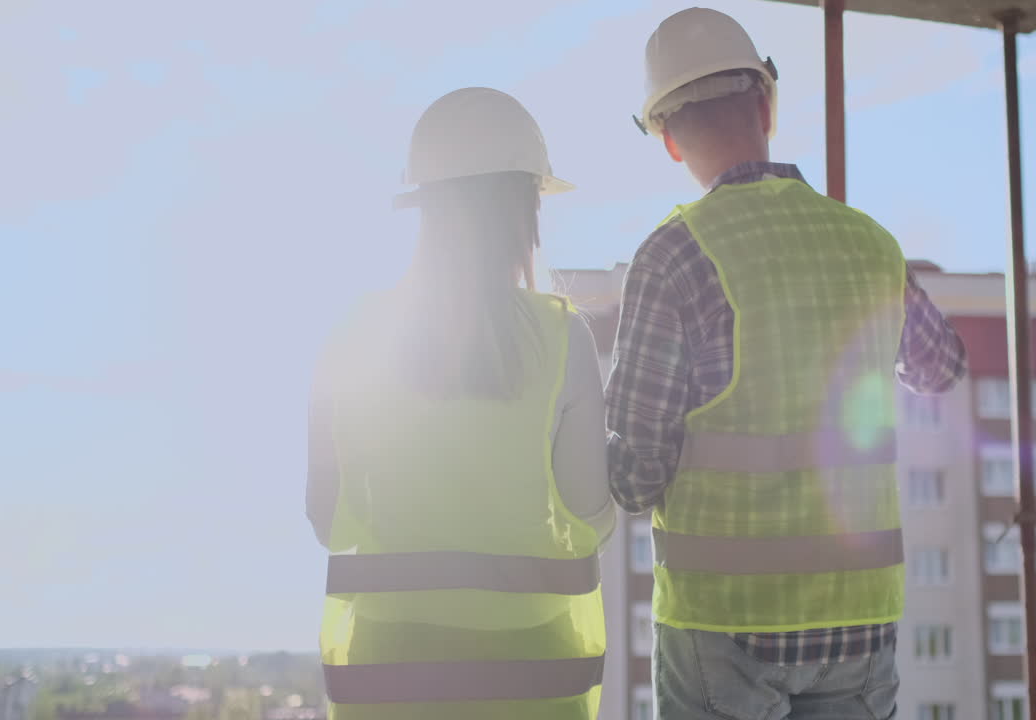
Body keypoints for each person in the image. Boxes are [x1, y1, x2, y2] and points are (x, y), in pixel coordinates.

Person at [607, 8, 968, 720]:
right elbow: (941, 368)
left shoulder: (674, 254)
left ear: (670, 141)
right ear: (767, 104)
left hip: (723, 625)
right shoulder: (870, 244)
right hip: (858, 620)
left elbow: (636, 477)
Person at [306, 87, 613, 720]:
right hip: (535, 672)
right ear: (526, 206)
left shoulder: (354, 331)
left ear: (425, 206)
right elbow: (591, 516)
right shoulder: (564, 336)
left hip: (388, 673)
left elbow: (325, 520)